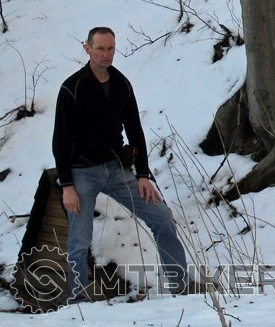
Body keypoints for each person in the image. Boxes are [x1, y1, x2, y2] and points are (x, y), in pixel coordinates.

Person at [52, 26, 189, 302]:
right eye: (100, 48)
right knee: (79, 239)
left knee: (161, 216)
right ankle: (78, 302)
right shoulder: (72, 88)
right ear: (87, 49)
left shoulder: (122, 84)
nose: (106, 54)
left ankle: (181, 288)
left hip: (117, 170)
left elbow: (135, 130)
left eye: (110, 48)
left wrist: (143, 175)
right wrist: (67, 185)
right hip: (82, 173)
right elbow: (60, 140)